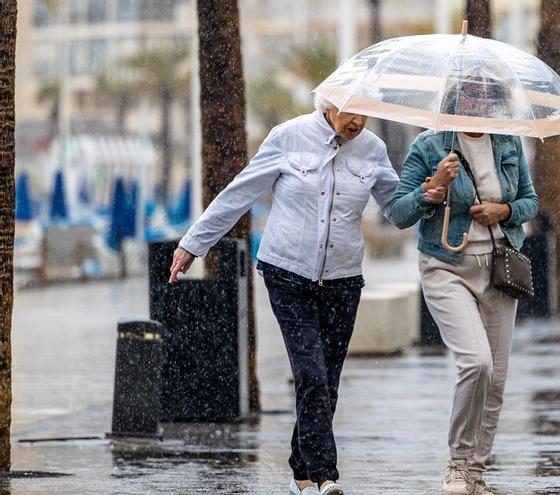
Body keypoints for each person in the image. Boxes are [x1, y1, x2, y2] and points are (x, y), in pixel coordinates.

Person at [168, 96, 432, 495]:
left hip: (343, 279)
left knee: (328, 379)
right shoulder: (288, 137)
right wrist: (193, 245)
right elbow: (239, 193)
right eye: (350, 112)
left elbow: (396, 213)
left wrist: (428, 194)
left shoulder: (373, 149)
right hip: (287, 273)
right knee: (310, 373)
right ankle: (326, 477)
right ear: (328, 106)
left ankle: (300, 473)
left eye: (364, 113)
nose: (358, 121)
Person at [390, 80, 539, 495]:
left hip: (497, 269)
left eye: (486, 97)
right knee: (477, 363)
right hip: (446, 266)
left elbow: (530, 201)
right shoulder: (429, 145)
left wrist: (504, 210)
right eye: (470, 96)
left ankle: (476, 473)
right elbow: (399, 214)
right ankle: (457, 464)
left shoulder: (507, 145)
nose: (478, 103)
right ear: (454, 101)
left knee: (497, 379)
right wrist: (432, 188)